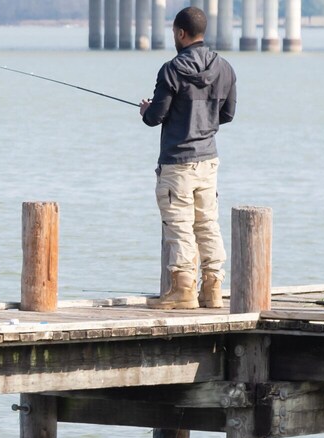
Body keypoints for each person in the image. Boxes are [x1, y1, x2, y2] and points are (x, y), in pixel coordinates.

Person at [139, 6, 236, 310]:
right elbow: (228, 114)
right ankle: (213, 289)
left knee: (179, 225)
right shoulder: (225, 68)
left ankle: (182, 291)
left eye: (174, 33)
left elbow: (155, 117)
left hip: (177, 162)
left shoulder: (171, 70)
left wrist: (147, 109)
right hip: (208, 160)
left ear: (181, 33)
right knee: (208, 223)